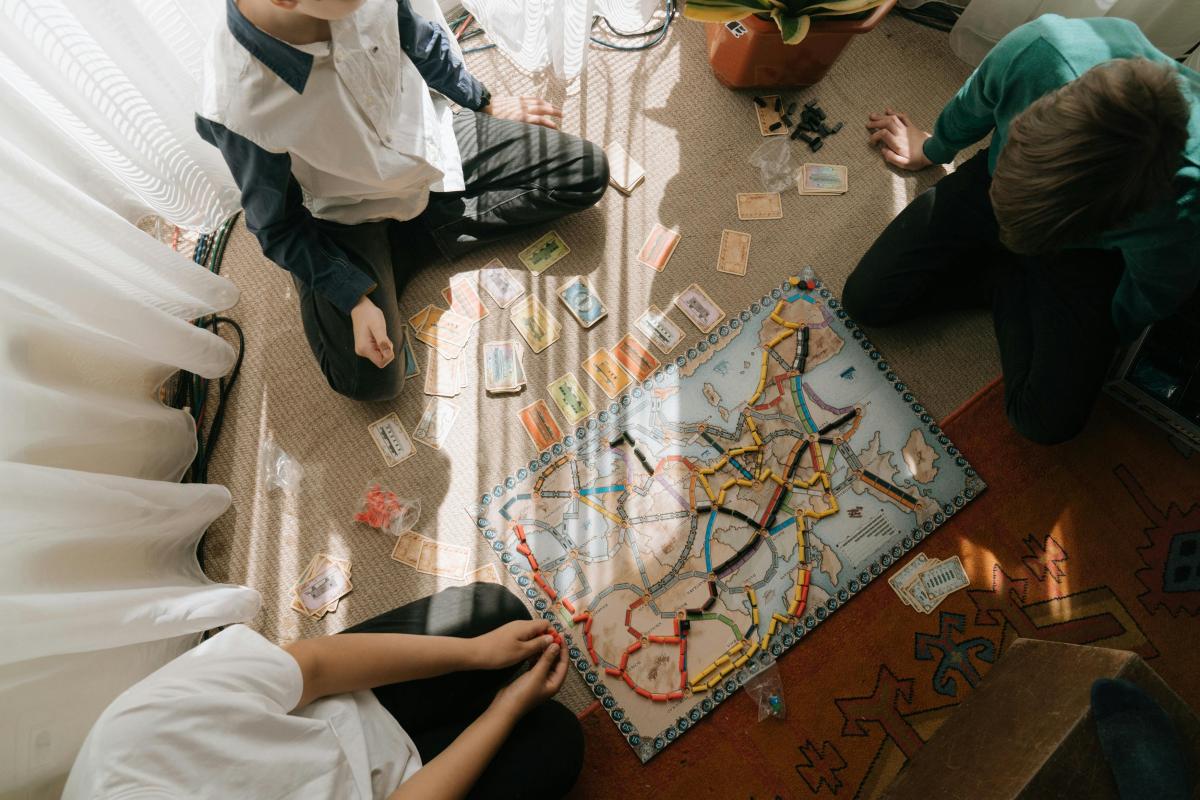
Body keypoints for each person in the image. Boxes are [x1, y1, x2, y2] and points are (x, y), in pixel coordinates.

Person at [196, 0, 609, 401]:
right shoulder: (237, 105)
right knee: (370, 381)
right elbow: (277, 226)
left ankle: (400, 250)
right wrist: (353, 296)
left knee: (586, 173)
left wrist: (481, 100)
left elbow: (419, 39)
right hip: (345, 211)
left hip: (426, 147)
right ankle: (377, 263)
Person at [846, 14, 1199, 445]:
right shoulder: (1040, 49)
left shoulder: (1187, 202)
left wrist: (1098, 335)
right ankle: (1009, 274)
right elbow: (974, 102)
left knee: (1044, 423)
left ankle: (1005, 281)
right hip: (996, 189)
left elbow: (1151, 292)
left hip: (1087, 260)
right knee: (867, 300)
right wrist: (934, 148)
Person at [63, 583, 584, 798]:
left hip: (347, 702)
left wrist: (477, 654)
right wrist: (504, 711)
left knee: (496, 614)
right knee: (557, 741)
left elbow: (313, 669)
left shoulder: (133, 734)